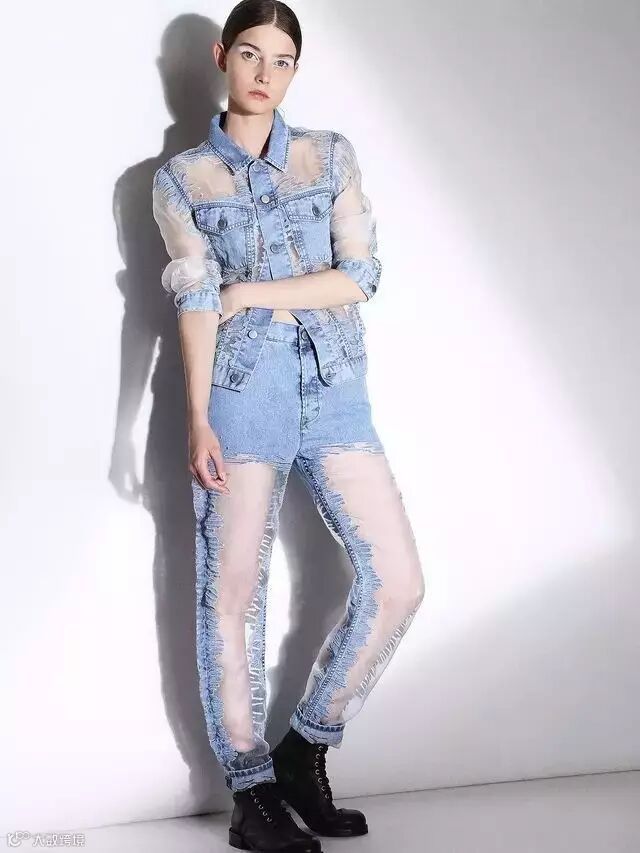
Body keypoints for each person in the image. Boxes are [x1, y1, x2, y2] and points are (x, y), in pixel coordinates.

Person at [152, 1, 425, 850]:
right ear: (221, 57)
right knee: (233, 591)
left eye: (282, 60)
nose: (265, 74)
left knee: (399, 581)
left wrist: (249, 291)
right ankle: (251, 792)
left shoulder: (328, 155)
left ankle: (305, 747)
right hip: (242, 390)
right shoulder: (183, 179)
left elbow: (360, 275)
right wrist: (198, 417)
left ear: (295, 70)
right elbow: (195, 302)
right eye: (250, 54)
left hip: (335, 385)